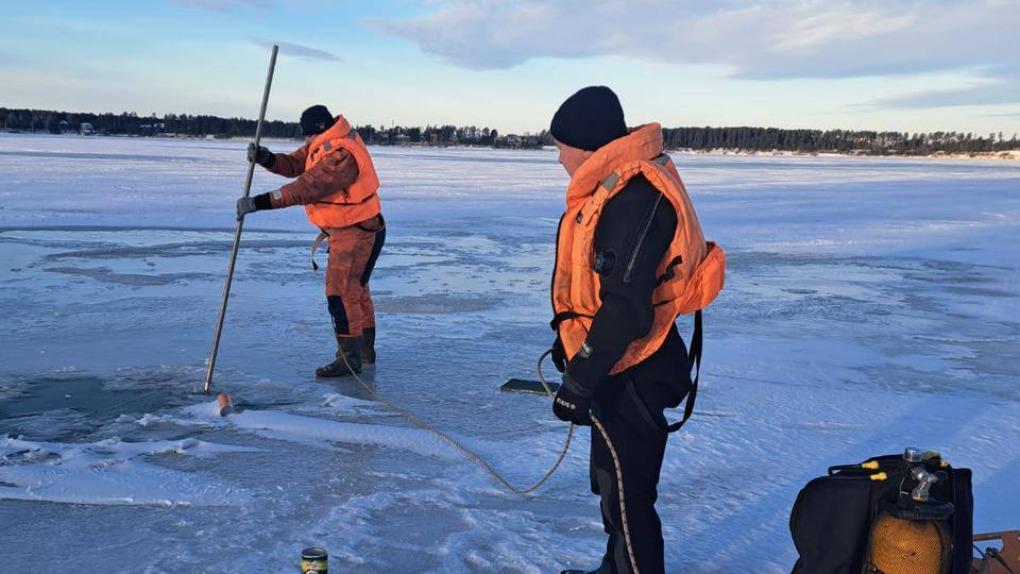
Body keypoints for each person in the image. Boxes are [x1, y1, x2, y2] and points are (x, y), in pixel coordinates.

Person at [547, 86, 725, 574]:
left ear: (585, 146)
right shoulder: (615, 188)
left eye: (561, 146)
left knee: (630, 502)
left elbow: (626, 310)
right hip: (615, 360)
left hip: (635, 368)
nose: (558, 157)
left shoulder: (636, 197)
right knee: (613, 488)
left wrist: (581, 380)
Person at [237, 104, 386, 377]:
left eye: (306, 136)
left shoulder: (340, 155)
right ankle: (363, 353)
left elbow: (305, 188)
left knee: (341, 294)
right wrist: (266, 158)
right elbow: (296, 164)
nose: (305, 141)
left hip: (357, 231)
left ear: (317, 130)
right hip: (351, 228)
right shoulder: (327, 141)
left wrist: (259, 202)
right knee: (355, 291)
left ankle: (351, 359)